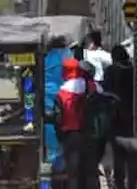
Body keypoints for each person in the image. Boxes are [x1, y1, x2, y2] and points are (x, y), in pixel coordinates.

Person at [52, 58, 95, 189]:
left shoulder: (62, 93)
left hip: (70, 135)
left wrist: (60, 136)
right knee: (90, 171)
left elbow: (57, 118)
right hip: (90, 134)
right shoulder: (91, 86)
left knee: (72, 172)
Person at [102, 44, 137, 189]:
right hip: (132, 117)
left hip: (115, 118)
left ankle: (119, 184)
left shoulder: (111, 70)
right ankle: (132, 185)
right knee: (132, 155)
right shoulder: (133, 71)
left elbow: (105, 92)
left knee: (118, 155)